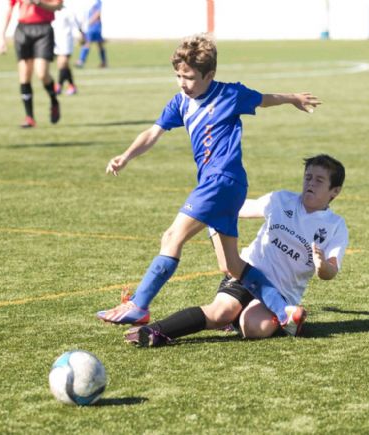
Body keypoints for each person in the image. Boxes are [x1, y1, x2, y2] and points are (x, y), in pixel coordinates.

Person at [96, 33, 321, 335]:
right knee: (231, 265)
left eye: (188, 77)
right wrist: (125, 156)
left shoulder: (230, 94)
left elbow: (265, 99)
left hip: (221, 180)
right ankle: (285, 312)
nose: (181, 83)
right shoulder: (180, 103)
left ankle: (139, 305)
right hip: (226, 186)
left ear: (209, 75)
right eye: (178, 75)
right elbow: (153, 132)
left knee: (172, 237)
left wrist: (293, 98)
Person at [124, 154, 348, 346]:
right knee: (221, 312)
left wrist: (322, 267)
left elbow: (331, 271)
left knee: (253, 328)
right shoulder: (280, 200)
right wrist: (211, 203)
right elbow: (238, 207)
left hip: (280, 292)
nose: (311, 183)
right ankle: (154, 331)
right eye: (308, 177)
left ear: (334, 191)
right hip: (245, 272)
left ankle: (274, 317)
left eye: (319, 180)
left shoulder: (336, 226)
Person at [0, 0, 63, 128]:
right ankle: (30, 117)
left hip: (44, 29)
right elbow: (9, 9)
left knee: (42, 73)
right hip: (23, 30)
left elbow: (58, 6)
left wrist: (38, 3)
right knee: (24, 75)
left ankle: (54, 101)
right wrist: (1, 36)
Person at [52, 1, 79, 95]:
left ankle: (58, 86)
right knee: (63, 65)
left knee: (62, 62)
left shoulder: (67, 11)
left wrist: (80, 35)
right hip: (56, 41)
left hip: (66, 40)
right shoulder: (51, 10)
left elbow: (75, 24)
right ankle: (72, 86)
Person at [75, 0, 106, 68]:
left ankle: (81, 61)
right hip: (92, 26)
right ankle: (104, 62)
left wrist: (89, 22)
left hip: (94, 26)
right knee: (99, 44)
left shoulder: (97, 2)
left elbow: (98, 13)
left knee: (88, 43)